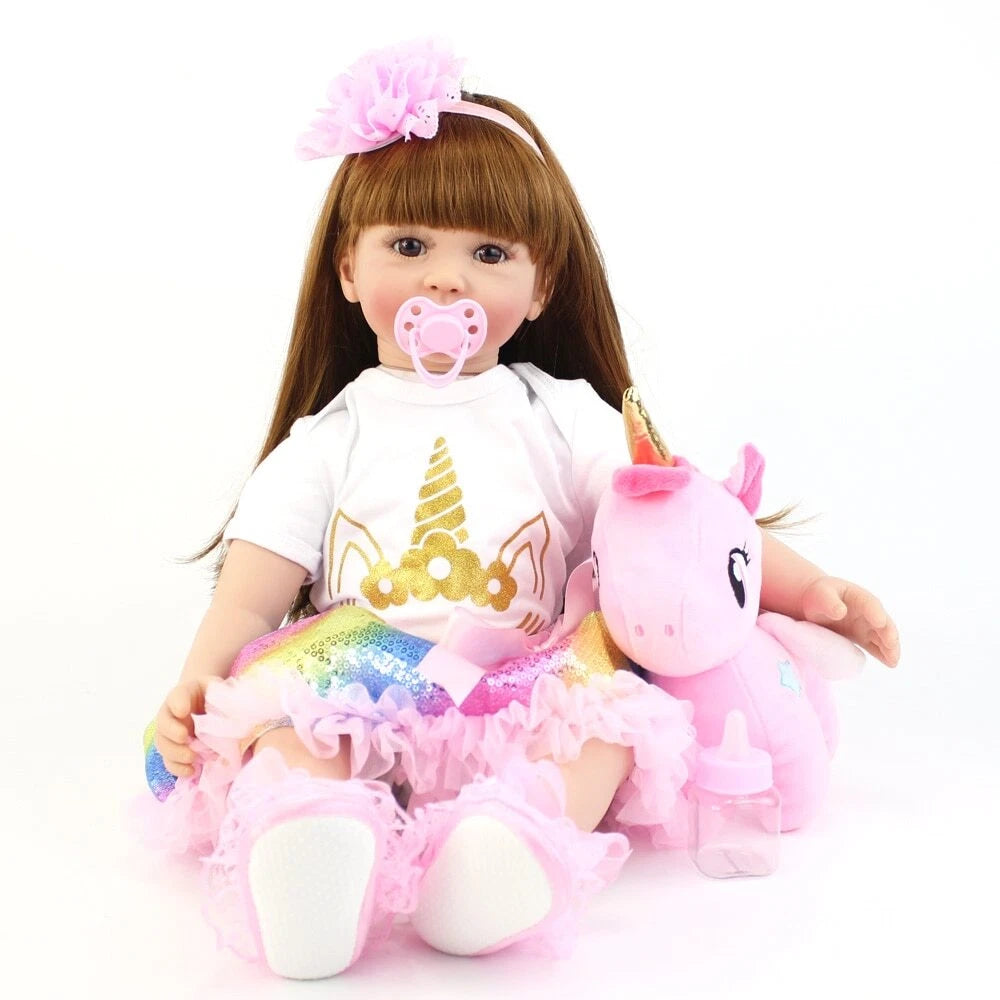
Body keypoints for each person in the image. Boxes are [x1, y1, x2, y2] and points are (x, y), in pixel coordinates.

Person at [145, 39, 900, 980]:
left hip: (521, 688)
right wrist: (198, 683)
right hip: (364, 685)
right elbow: (252, 600)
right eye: (409, 246)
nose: (445, 279)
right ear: (347, 268)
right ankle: (309, 846)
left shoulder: (564, 415)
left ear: (540, 287)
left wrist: (809, 588)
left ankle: (503, 858)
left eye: (489, 253)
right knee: (288, 732)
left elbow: (685, 529)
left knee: (606, 725)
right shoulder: (327, 438)